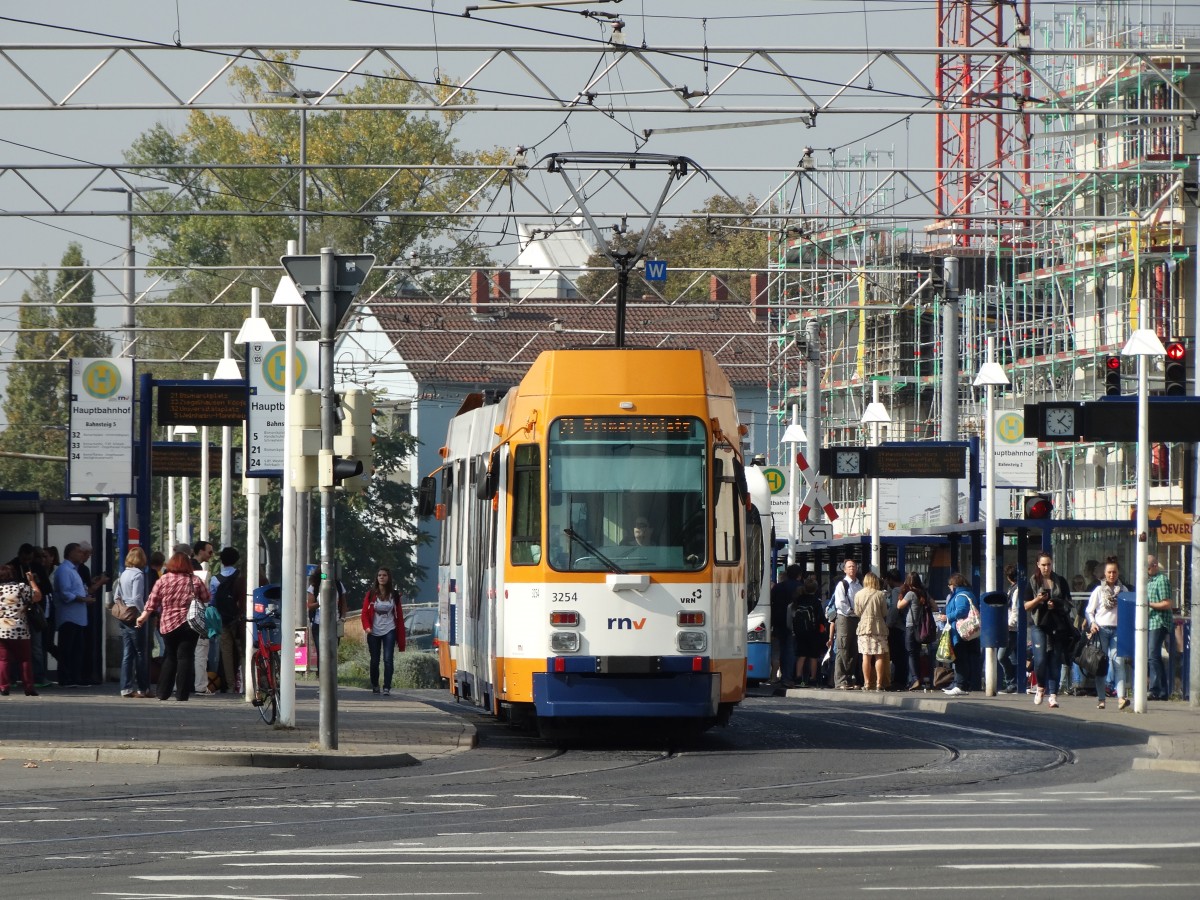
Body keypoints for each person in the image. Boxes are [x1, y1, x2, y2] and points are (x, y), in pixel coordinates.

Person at [137, 551, 208, 702]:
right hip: (190, 623)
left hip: (168, 623)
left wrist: (143, 616)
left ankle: (163, 692)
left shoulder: (163, 580)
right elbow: (206, 597)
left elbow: (152, 601)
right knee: (186, 657)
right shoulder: (194, 580)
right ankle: (182, 694)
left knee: (170, 656)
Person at [51, 542, 106, 686]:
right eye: (79, 552)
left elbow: (78, 589)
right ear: (70, 554)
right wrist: (83, 599)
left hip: (79, 617)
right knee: (67, 649)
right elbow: (65, 593)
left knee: (78, 649)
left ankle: (76, 677)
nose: (82, 555)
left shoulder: (75, 570)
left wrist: (86, 594)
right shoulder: (64, 570)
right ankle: (65, 678)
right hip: (69, 616)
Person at [1026, 551, 1073, 709]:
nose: (1046, 568)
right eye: (1043, 565)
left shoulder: (1060, 581)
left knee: (1055, 660)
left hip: (1057, 625)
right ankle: (1040, 687)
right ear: (1038, 565)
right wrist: (1038, 599)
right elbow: (1026, 606)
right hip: (1039, 624)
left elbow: (1068, 602)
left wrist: (1056, 604)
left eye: (1049, 564)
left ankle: (1053, 695)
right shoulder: (1033, 581)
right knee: (1040, 660)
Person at [1085, 556, 1130, 710]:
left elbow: (1127, 612)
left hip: (1118, 630)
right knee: (1101, 665)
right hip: (1102, 630)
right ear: (1104, 574)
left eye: (1115, 572)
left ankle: (1121, 698)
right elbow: (1089, 611)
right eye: (1109, 572)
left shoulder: (1123, 591)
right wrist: (1093, 623)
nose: (1112, 575)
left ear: (1118, 573)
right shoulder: (1098, 590)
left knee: (1119, 663)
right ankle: (1101, 698)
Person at [361, 567, 407, 695]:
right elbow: (364, 613)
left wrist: (400, 636)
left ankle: (387, 687)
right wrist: (367, 627)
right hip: (373, 631)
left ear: (388, 577)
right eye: (379, 575)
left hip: (389, 630)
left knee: (388, 659)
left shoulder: (394, 595)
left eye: (384, 575)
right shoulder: (371, 594)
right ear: (377, 578)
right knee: (374, 660)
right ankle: (375, 685)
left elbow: (399, 615)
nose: (382, 577)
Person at [0, 563, 41, 696]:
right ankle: (28, 687)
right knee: (24, 659)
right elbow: (37, 596)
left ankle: (4, 687)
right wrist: (31, 580)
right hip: (20, 629)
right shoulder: (20, 587)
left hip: (1, 630)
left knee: (3, 660)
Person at [116, 546, 150, 698]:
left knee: (127, 654)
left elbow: (117, 595)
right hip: (134, 614)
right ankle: (143, 688)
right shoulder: (138, 575)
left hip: (124, 616)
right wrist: (144, 612)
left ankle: (126, 688)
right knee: (141, 652)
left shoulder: (123, 574)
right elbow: (137, 597)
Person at [210, 547, 245, 694]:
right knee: (243, 651)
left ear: (222, 561)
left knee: (226, 653)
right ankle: (245, 683)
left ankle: (230, 686)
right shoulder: (241, 577)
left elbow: (212, 601)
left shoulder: (215, 579)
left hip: (223, 619)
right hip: (239, 619)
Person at [942, 573, 980, 696]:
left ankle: (960, 685)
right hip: (968, 632)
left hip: (960, 632)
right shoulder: (968, 593)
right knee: (965, 658)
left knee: (960, 658)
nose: (949, 587)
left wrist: (947, 617)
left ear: (954, 584)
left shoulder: (960, 596)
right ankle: (962, 683)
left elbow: (961, 611)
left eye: (950, 585)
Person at [830, 559, 864, 689]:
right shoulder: (842, 584)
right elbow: (840, 604)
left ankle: (850, 678)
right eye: (849, 567)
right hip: (844, 618)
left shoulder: (859, 585)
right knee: (843, 648)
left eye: (854, 567)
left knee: (854, 649)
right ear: (844, 569)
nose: (852, 569)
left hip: (857, 619)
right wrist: (853, 611)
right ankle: (840, 680)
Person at [853, 571, 889, 691]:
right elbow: (884, 612)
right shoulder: (880, 595)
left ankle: (867, 683)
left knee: (866, 656)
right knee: (879, 656)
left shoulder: (858, 594)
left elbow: (857, 612)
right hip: (879, 628)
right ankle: (879, 683)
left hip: (864, 628)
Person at [899, 572, 934, 691]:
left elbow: (899, 606)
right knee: (918, 653)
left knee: (911, 653)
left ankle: (914, 678)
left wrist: (901, 595)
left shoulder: (910, 594)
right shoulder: (924, 593)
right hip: (922, 628)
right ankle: (919, 678)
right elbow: (935, 607)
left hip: (911, 626)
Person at [307, 570, 348, 670]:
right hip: (318, 623)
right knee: (321, 650)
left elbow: (343, 602)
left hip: (335, 622)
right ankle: (321, 674)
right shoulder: (314, 586)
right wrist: (321, 602)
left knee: (332, 650)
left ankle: (332, 674)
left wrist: (342, 617)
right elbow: (310, 606)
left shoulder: (338, 585)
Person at [769, 564, 801, 686]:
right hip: (793, 624)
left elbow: (772, 604)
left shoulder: (778, 587)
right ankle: (787, 677)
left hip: (778, 622)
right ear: (799, 575)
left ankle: (778, 675)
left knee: (779, 650)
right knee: (790, 650)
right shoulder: (800, 587)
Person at [1146, 555, 1174, 700]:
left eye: (1148, 568)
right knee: (1153, 656)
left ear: (1155, 566)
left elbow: (1167, 603)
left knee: (1152, 655)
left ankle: (1155, 689)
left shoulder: (1161, 580)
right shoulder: (1148, 581)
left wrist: (1149, 605)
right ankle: (1162, 691)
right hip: (1149, 622)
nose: (1147, 571)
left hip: (1159, 621)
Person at [792, 574, 827, 687]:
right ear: (816, 589)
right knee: (813, 656)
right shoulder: (816, 602)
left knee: (801, 655)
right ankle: (812, 679)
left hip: (800, 632)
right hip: (813, 632)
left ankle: (798, 678)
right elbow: (821, 618)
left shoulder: (799, 600)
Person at [996, 564, 1026, 694]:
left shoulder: (1016, 590)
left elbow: (1015, 610)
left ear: (1008, 577)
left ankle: (1011, 682)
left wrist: (1009, 624)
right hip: (1012, 627)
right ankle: (1014, 683)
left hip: (1012, 628)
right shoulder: (1013, 589)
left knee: (1001, 656)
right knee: (1013, 657)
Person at [883, 569, 907, 689]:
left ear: (891, 580)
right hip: (907, 627)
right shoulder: (908, 589)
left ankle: (898, 681)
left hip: (897, 628)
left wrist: (888, 625)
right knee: (905, 655)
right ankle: (905, 679)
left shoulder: (895, 591)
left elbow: (893, 609)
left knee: (897, 656)